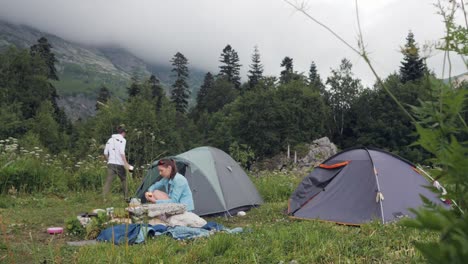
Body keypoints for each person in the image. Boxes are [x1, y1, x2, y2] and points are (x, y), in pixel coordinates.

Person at [103, 126, 130, 200]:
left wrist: (109, 160)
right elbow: (122, 152)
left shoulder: (110, 139)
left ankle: (104, 198)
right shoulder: (123, 140)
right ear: (123, 133)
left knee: (108, 181)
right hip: (119, 164)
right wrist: (126, 163)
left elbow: (105, 152)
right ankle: (126, 197)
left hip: (111, 163)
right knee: (124, 179)